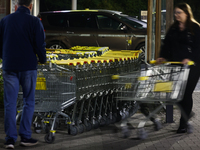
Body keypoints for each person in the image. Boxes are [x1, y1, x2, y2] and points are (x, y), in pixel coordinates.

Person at [0, 0, 46, 149]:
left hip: (9, 66)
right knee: (29, 101)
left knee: (10, 103)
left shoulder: (5, 20)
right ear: (31, 6)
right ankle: (25, 136)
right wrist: (42, 59)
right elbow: (40, 43)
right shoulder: (34, 21)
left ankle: (10, 139)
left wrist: (5, 58)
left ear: (16, 6)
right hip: (28, 66)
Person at [156, 3, 200, 133]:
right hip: (176, 66)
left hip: (192, 67)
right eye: (175, 13)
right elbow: (166, 44)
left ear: (186, 13)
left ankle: (183, 124)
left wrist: (190, 58)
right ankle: (187, 113)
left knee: (186, 94)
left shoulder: (195, 28)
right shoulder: (174, 28)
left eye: (179, 12)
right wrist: (162, 56)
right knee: (176, 95)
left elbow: (198, 48)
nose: (176, 15)